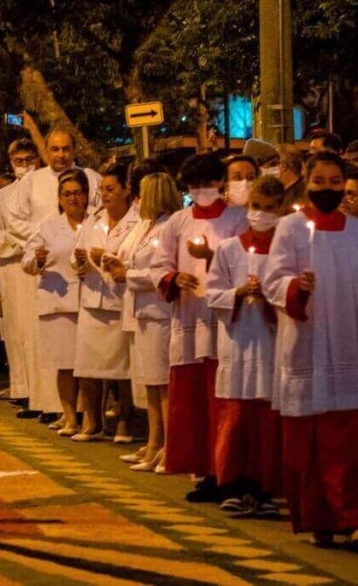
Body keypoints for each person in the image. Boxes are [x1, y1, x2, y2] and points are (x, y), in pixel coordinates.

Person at [263, 150, 358, 552]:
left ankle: (356, 520)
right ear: (307, 184)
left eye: (336, 183)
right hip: (307, 343)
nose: (328, 190)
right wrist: (298, 288)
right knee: (310, 444)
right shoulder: (290, 228)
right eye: (320, 182)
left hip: (349, 344)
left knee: (348, 442)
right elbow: (273, 280)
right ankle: (320, 520)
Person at [151, 152, 248, 501]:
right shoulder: (177, 222)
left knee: (224, 400)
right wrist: (174, 278)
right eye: (194, 185)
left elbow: (246, 260)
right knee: (193, 403)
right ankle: (203, 471)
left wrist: (214, 264)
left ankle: (229, 471)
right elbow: (158, 263)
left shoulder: (238, 219)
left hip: (226, 321)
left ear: (220, 182)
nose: (202, 191)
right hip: (190, 318)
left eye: (207, 183)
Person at [204, 175, 286, 518]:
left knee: (267, 420)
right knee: (235, 417)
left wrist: (270, 298)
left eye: (269, 209)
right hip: (237, 342)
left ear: (280, 210)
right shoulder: (229, 249)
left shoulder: (287, 251)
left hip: (271, 344)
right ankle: (233, 485)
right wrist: (237, 293)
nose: (261, 214)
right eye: (256, 207)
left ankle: (264, 488)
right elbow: (211, 293)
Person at [11, 129, 101, 418]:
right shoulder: (32, 181)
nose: (60, 154)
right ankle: (52, 406)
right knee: (55, 353)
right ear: (46, 152)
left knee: (89, 356)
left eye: (65, 149)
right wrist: (48, 236)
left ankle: (89, 414)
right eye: (54, 149)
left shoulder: (91, 177)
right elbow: (16, 220)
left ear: (74, 149)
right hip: (50, 273)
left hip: (88, 279)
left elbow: (100, 217)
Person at [107, 172, 181, 472]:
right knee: (150, 382)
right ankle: (154, 442)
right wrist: (118, 266)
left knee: (163, 383)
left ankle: (168, 446)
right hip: (141, 312)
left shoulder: (167, 228)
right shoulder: (147, 226)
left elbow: (161, 272)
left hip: (159, 312)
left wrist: (129, 275)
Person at [72, 163, 140, 442]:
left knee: (122, 369)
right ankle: (93, 421)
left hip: (118, 300)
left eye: (110, 189)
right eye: (102, 191)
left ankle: (125, 421)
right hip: (92, 299)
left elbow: (135, 259)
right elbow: (78, 253)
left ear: (126, 190)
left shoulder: (137, 223)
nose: (105, 196)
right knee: (87, 367)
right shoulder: (93, 220)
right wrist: (80, 262)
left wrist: (107, 257)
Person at [22, 169, 90, 433]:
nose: (72, 198)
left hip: (89, 302)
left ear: (85, 195)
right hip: (58, 302)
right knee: (64, 364)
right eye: (67, 194)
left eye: (77, 193)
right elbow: (27, 261)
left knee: (87, 365)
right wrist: (38, 261)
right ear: (59, 198)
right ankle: (70, 414)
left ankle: (89, 416)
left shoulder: (96, 224)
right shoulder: (48, 226)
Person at [0, 138, 42, 416]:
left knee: (42, 334)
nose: (25, 166)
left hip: (45, 269)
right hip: (15, 271)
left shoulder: (50, 192)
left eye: (30, 160)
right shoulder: (1, 197)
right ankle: (23, 388)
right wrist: (17, 244)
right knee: (18, 333)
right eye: (19, 161)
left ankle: (47, 394)